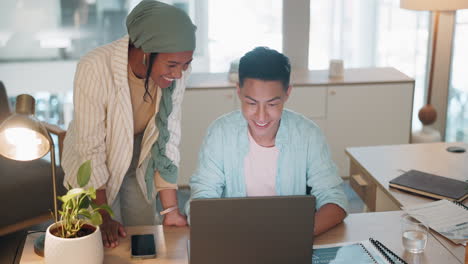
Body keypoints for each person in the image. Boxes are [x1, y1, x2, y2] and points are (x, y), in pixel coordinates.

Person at [62, 0, 196, 248]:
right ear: (146, 51)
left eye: (186, 64)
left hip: (139, 148)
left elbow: (167, 138)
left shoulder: (177, 73)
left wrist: (171, 211)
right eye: (172, 65)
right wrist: (103, 216)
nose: (179, 74)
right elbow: (91, 148)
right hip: (92, 152)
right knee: (100, 236)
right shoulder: (94, 67)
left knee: (141, 228)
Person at [185, 47, 347, 236]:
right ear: (238, 91)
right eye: (251, 103)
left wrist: (295, 235)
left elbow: (334, 200)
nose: (261, 116)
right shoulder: (220, 134)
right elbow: (202, 200)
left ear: (287, 93)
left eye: (272, 104)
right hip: (234, 238)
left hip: (291, 241)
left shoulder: (308, 135)